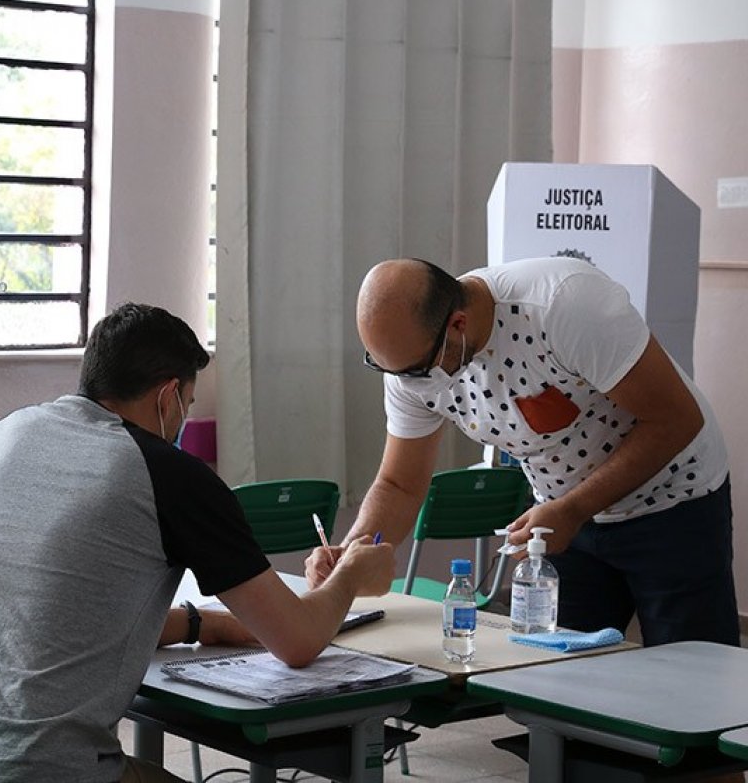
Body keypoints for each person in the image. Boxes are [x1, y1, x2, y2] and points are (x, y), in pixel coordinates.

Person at [0, 303, 394, 783]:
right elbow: (299, 641)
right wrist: (352, 571)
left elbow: (62, 605)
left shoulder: (5, 434)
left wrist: (205, 626)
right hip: (30, 767)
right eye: (189, 404)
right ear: (168, 397)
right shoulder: (166, 473)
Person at [309, 255, 736, 648]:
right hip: (561, 517)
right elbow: (400, 484)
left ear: (457, 324)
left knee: (690, 672)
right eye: (389, 369)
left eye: (418, 370)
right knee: (562, 681)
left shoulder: (562, 305)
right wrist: (351, 556)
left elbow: (675, 418)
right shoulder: (408, 363)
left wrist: (572, 509)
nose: (411, 385)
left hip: (672, 501)